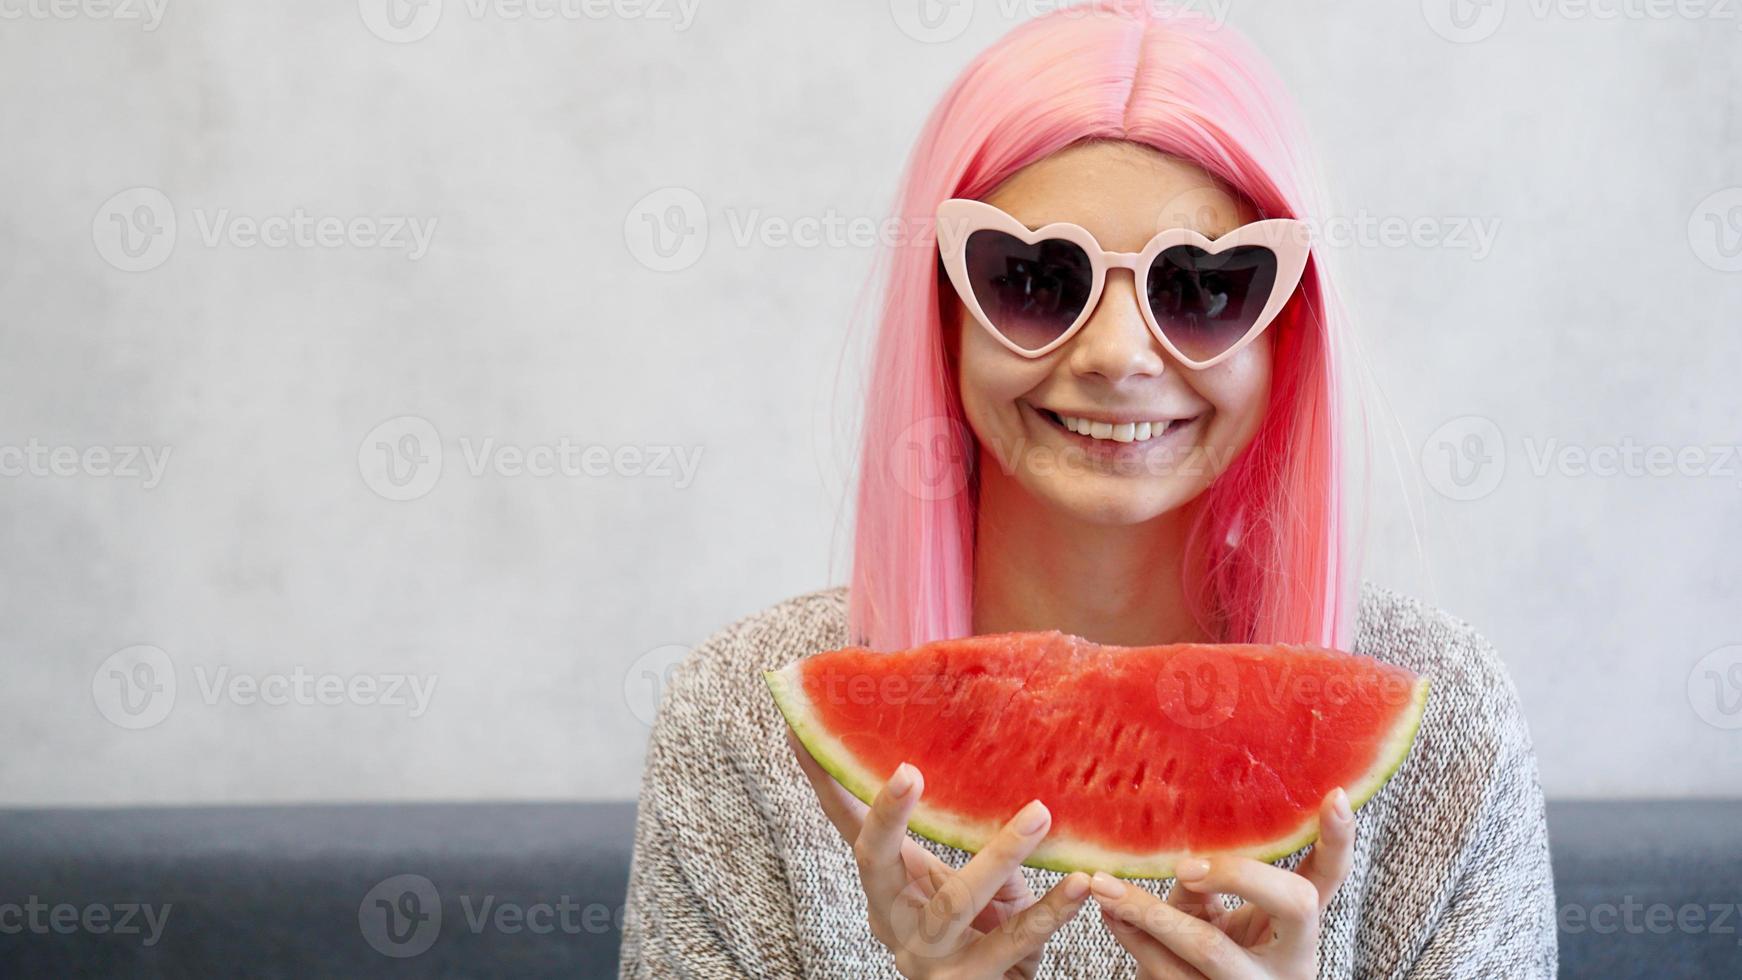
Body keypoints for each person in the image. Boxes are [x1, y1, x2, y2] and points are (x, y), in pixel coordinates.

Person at [622, 3, 1557, 976]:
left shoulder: (1448, 724)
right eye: (1032, 277)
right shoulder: (743, 717)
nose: (1116, 355)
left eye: (1201, 287)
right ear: (941, 313)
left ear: (1287, 329)